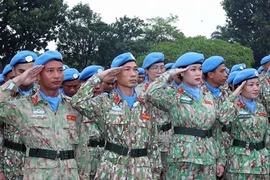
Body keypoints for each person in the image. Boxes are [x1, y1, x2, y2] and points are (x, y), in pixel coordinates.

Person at [71, 52, 162, 179]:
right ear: (115, 74)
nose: (133, 74)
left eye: (135, 69)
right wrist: (99, 77)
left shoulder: (146, 104)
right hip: (113, 169)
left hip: (142, 170)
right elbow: (77, 101)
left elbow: (153, 144)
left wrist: (155, 173)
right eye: (127, 69)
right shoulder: (104, 103)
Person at [0, 50, 81, 179]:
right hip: (38, 174)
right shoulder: (24, 106)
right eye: (50, 71)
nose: (57, 75)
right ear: (37, 76)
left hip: (69, 174)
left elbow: (81, 148)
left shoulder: (74, 106)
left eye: (60, 70)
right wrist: (19, 80)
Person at [146, 52, 225, 179]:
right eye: (192, 70)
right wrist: (170, 73)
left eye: (200, 69)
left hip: (208, 157)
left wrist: (220, 159)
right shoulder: (174, 95)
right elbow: (150, 92)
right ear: (182, 72)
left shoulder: (208, 96)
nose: (198, 73)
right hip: (183, 157)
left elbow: (216, 129)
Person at [219, 68, 270, 179]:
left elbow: (267, 134)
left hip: (262, 163)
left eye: (257, 84)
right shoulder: (234, 105)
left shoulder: (260, 107)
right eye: (251, 85)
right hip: (241, 164)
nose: (255, 88)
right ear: (241, 87)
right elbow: (223, 118)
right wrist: (234, 95)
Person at [0, 50, 37, 180]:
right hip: (11, 163)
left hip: (39, 165)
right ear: (14, 72)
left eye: (32, 71)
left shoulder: (45, 95)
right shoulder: (5, 96)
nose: (27, 75)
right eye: (22, 72)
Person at [136, 52, 171, 180]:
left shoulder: (171, 91)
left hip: (168, 139)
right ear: (146, 70)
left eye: (162, 67)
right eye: (155, 68)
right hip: (148, 140)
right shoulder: (138, 91)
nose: (159, 71)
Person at [75, 65, 106, 179]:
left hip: (104, 157)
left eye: (101, 82)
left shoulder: (110, 104)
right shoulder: (75, 105)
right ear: (83, 84)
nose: (97, 86)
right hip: (84, 157)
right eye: (93, 82)